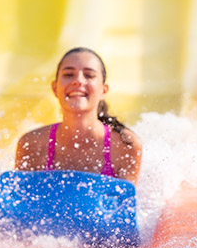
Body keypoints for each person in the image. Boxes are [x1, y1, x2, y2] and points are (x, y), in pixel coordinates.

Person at [15, 47, 142, 183]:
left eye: (89, 75)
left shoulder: (124, 145)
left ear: (103, 91)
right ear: (55, 88)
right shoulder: (32, 144)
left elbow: (128, 202)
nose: (78, 81)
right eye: (69, 74)